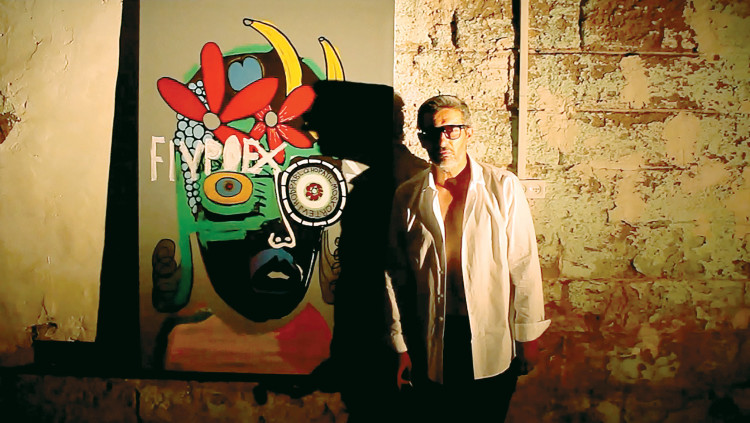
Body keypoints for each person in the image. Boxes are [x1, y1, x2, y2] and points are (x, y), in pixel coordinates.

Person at [385, 95, 550, 422]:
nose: (442, 141)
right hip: (431, 337)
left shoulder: (502, 187)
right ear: (421, 139)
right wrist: (398, 343)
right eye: (431, 133)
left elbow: (524, 264)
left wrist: (528, 335)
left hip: (491, 338)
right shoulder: (408, 196)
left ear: (469, 132)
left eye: (451, 130)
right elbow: (394, 274)